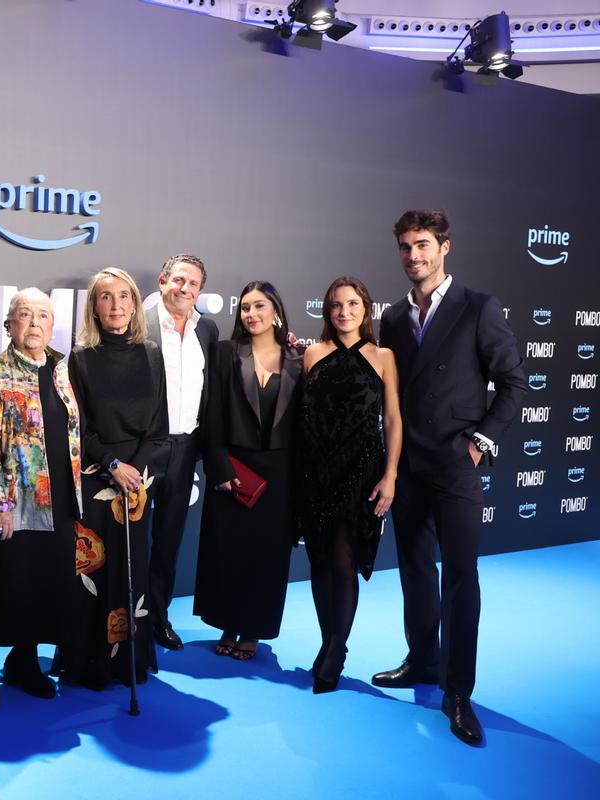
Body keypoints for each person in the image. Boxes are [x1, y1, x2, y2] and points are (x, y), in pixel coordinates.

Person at [373, 210, 525, 745]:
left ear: (444, 247)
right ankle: (422, 660)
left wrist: (479, 444)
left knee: (460, 577)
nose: (413, 255)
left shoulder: (479, 307)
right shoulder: (393, 317)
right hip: (409, 464)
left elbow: (513, 383)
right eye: (405, 247)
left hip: (457, 464)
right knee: (415, 569)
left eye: (422, 245)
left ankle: (458, 691)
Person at [0, 289, 83, 708]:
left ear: (53, 325)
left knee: (42, 585)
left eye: (43, 316)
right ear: (9, 324)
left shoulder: (61, 368)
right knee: (5, 584)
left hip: (59, 498)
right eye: (24, 315)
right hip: (15, 503)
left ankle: (26, 661)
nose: (34, 323)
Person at [61, 268, 167, 689]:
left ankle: (130, 662)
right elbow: (78, 428)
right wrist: (112, 465)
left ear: (135, 304)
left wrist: (135, 470)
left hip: (138, 482)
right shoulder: (81, 358)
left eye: (124, 296)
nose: (117, 305)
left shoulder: (151, 353)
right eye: (106, 297)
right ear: (94, 307)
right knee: (93, 572)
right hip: (96, 475)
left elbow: (159, 425)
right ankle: (90, 662)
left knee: (132, 570)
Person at [299, 277, 402, 693]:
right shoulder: (312, 353)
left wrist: (390, 474)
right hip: (315, 471)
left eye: (353, 304)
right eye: (337, 305)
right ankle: (327, 642)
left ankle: (336, 652)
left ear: (366, 309)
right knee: (320, 561)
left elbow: (392, 420)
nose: (344, 312)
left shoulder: (383, 356)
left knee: (343, 561)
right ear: (328, 311)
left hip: (360, 472)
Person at [194, 281, 302, 661]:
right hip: (235, 467)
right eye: (245, 307)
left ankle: (253, 628)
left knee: (266, 555)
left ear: (276, 311)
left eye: (259, 306)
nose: (251, 314)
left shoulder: (298, 358)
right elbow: (212, 411)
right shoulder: (226, 352)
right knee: (229, 550)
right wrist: (219, 465)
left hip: (280, 472)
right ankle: (228, 622)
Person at [144, 254, 219, 651]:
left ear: (200, 291)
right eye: (178, 280)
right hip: (144, 448)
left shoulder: (207, 329)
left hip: (186, 448)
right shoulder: (138, 324)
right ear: (162, 280)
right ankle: (122, 619)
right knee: (130, 538)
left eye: (192, 284)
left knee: (168, 540)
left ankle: (158, 616)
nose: (184, 288)